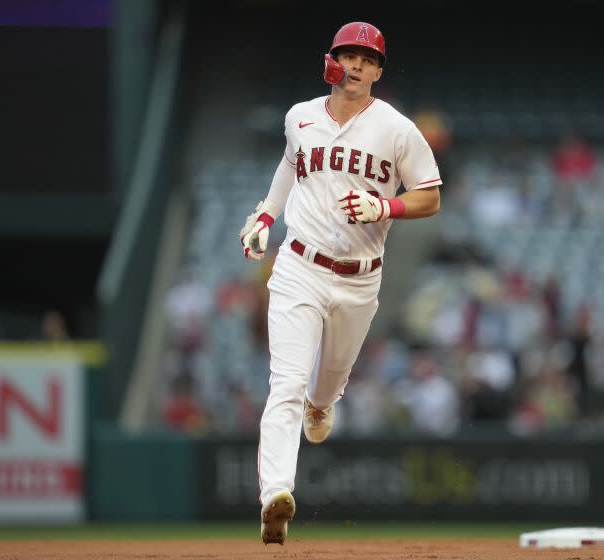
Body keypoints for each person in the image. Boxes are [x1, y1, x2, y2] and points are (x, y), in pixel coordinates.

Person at [238, 21, 442, 545]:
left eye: (366, 59)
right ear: (331, 61)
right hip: (299, 267)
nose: (355, 64)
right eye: (347, 55)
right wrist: (265, 215)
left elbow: (430, 196)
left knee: (325, 385)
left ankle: (322, 402)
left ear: (377, 71)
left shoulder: (397, 129)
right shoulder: (300, 117)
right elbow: (289, 165)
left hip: (358, 282)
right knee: (284, 383)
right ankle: (275, 496)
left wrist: (385, 205)